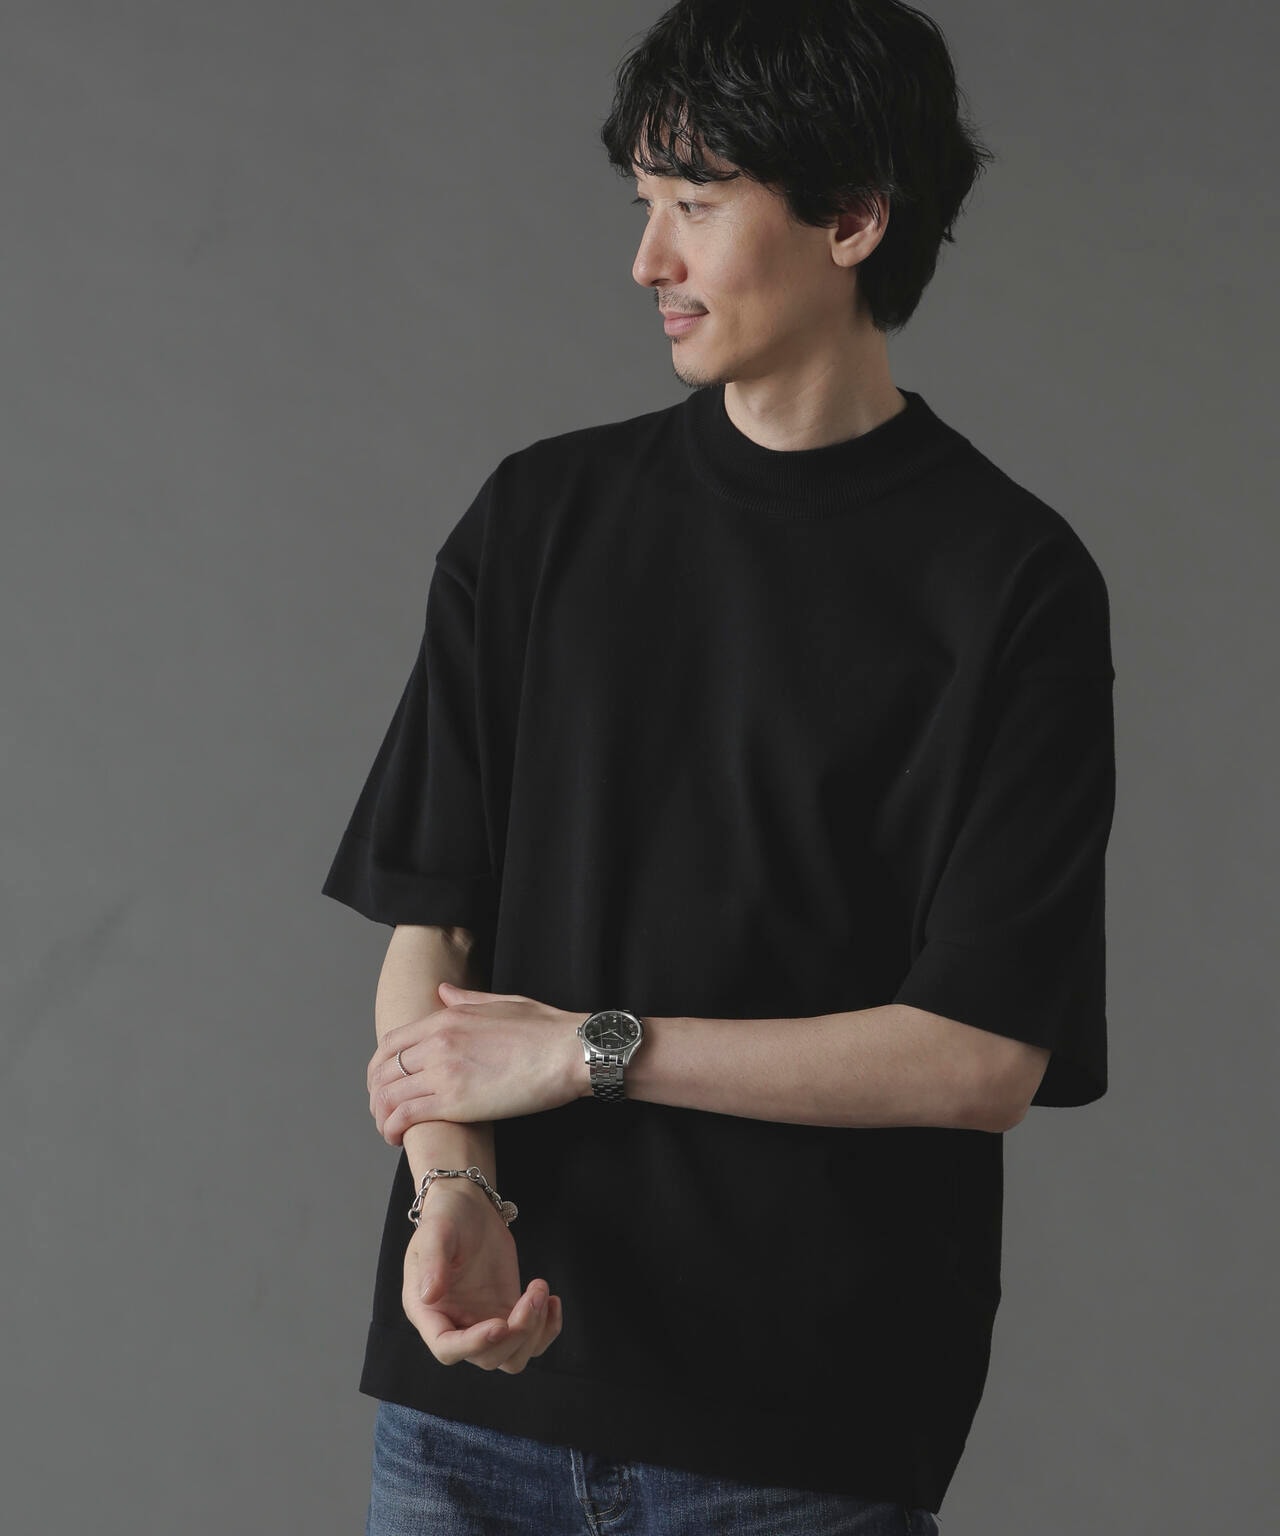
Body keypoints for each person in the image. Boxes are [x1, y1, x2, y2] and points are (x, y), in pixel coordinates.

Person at [320, 2, 1116, 1531]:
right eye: (645, 203)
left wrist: (591, 1049)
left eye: (695, 204)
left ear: (854, 219)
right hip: (469, 1410)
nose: (649, 261)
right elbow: (435, 937)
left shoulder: (1009, 584)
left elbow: (980, 1058)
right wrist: (453, 1190)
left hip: (798, 1435)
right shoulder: (537, 520)